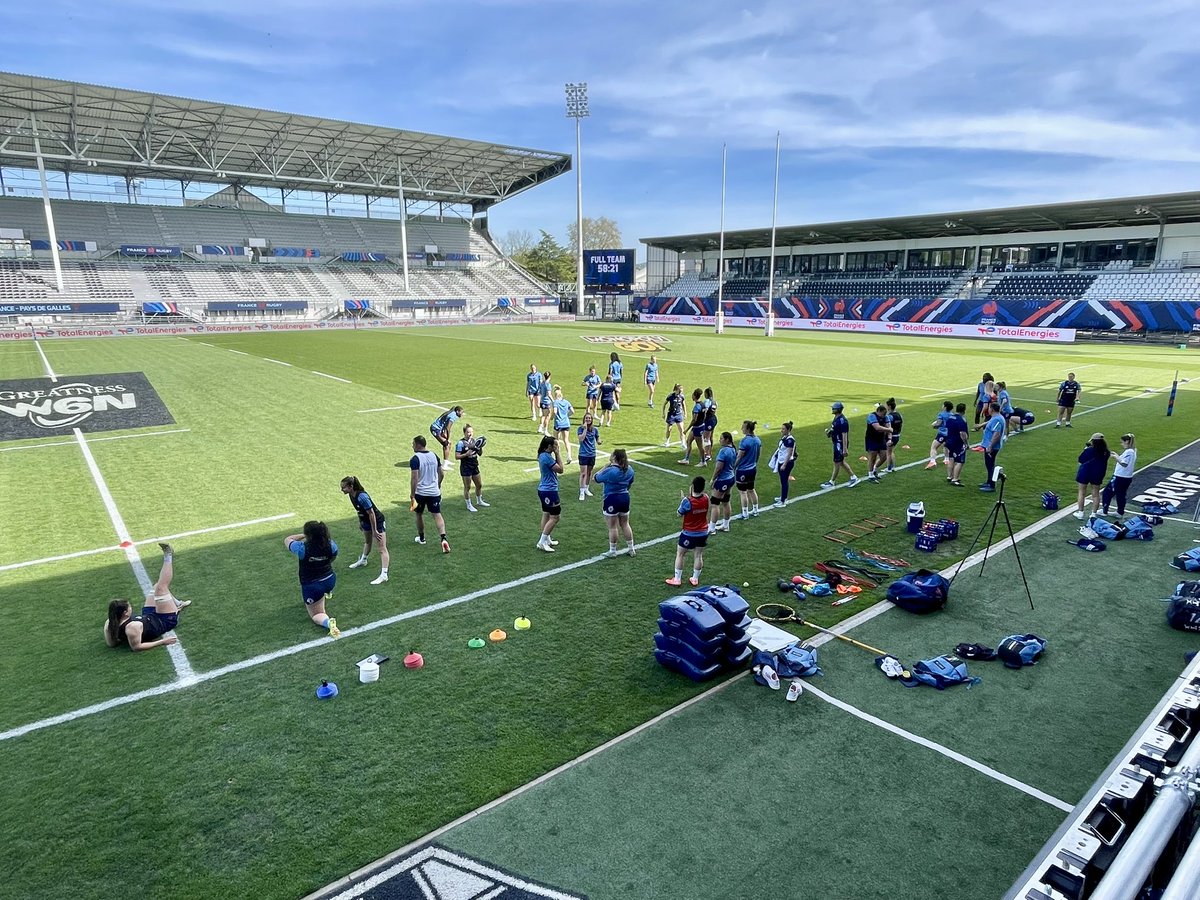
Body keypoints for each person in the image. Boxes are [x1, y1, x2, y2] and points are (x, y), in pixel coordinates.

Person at [104, 542, 194, 650]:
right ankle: (168, 555)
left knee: (157, 587)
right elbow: (137, 647)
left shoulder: (110, 622)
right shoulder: (132, 627)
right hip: (164, 620)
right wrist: (162, 642)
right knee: (161, 587)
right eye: (129, 607)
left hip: (148, 616)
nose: (131, 607)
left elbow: (111, 644)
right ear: (125, 613)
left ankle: (178, 604)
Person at [280, 524, 340, 637]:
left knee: (317, 614)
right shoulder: (331, 545)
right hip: (330, 579)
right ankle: (327, 592)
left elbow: (287, 539)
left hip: (312, 586)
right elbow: (333, 557)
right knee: (325, 588)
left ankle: (328, 623)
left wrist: (303, 535)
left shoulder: (302, 548)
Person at [340, 475, 389, 585]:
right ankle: (363, 560)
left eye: (344, 487)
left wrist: (375, 530)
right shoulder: (351, 495)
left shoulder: (362, 497)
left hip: (377, 522)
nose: (342, 490)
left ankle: (384, 574)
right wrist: (361, 522)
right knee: (367, 541)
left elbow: (372, 514)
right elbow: (359, 510)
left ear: (351, 486)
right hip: (366, 522)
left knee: (381, 548)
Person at [409, 435, 450, 552]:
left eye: (413, 444)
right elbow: (441, 473)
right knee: (437, 514)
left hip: (420, 493)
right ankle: (443, 538)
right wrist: (437, 485)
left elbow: (414, 478)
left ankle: (422, 538)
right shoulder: (434, 456)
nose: (412, 446)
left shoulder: (415, 459)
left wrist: (412, 494)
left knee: (419, 514)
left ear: (418, 445)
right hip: (434, 492)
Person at [667, 476, 710, 586]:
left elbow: (679, 513)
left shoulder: (687, 501)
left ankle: (677, 579)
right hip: (703, 532)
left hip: (689, 533)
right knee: (698, 555)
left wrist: (682, 501)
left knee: (680, 554)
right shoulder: (706, 498)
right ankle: (695, 579)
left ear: (692, 487)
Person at [593, 447, 636, 557]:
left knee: (612, 526)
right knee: (625, 524)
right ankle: (631, 549)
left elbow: (596, 478)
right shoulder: (629, 469)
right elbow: (630, 483)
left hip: (611, 499)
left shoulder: (610, 470)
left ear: (615, 457)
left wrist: (603, 467)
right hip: (625, 497)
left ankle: (612, 551)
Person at [536, 434, 564, 551]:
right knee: (555, 517)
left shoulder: (543, 455)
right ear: (549, 446)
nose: (557, 447)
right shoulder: (547, 458)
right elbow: (561, 469)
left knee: (546, 514)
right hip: (549, 491)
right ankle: (542, 541)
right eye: (555, 445)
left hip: (543, 490)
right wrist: (558, 453)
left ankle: (546, 538)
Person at [455, 423, 490, 512]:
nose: (470, 434)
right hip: (466, 467)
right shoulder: (461, 443)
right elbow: (457, 456)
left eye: (471, 432)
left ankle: (479, 500)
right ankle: (469, 504)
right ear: (464, 433)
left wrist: (480, 447)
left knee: (479, 485)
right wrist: (466, 454)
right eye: (468, 432)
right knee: (467, 487)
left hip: (474, 465)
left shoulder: (474, 441)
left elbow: (480, 454)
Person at [821, 401, 858, 488]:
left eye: (833, 408)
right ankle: (853, 477)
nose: (832, 409)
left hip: (840, 444)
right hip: (837, 443)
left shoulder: (842, 421)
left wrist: (845, 449)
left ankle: (832, 481)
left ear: (837, 410)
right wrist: (830, 432)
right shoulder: (837, 418)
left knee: (837, 462)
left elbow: (844, 435)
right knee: (840, 462)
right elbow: (835, 430)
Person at [1075, 433, 1111, 519]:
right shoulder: (1106, 452)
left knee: (1081, 492)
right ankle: (1093, 514)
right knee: (1096, 494)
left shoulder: (1089, 450)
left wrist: (1085, 450)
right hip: (1098, 473)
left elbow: (1080, 461)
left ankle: (1081, 513)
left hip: (1085, 472)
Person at [708, 431, 737, 533]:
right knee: (726, 502)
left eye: (721, 438)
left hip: (723, 480)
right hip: (731, 478)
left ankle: (711, 528)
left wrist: (713, 479)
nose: (719, 440)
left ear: (727, 440)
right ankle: (725, 525)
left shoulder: (723, 451)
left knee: (715, 503)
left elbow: (719, 467)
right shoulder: (733, 449)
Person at [1102, 433, 1137, 517]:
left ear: (1127, 441)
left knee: (1108, 492)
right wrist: (1117, 455)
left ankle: (1105, 510)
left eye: (1122, 442)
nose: (1121, 444)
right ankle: (1120, 512)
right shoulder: (1133, 450)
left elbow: (1124, 463)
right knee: (1121, 494)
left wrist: (1115, 457)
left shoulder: (1129, 452)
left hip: (1120, 477)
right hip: (1126, 477)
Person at [734, 420, 762, 518]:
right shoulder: (757, 440)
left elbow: (739, 456)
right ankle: (755, 510)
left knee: (743, 492)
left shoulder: (745, 441)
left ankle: (745, 513)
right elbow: (758, 454)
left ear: (748, 429)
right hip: (752, 468)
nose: (742, 428)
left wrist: (734, 467)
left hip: (743, 470)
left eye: (743, 427)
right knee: (751, 489)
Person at [979, 402, 1005, 492]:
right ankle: (989, 481)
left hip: (992, 447)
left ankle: (991, 485)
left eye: (989, 408)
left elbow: (996, 434)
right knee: (989, 464)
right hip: (990, 446)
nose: (988, 410)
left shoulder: (996, 419)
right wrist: (980, 426)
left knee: (990, 465)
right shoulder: (997, 417)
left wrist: (990, 447)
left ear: (992, 409)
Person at [430, 405, 465, 471]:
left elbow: (444, 425)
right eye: (461, 412)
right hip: (435, 429)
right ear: (457, 411)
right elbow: (448, 428)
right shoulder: (453, 416)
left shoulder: (452, 414)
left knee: (449, 444)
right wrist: (448, 438)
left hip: (439, 430)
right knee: (446, 444)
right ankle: (444, 465)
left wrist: (444, 433)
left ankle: (446, 461)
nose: (462, 414)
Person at [944, 403, 970, 487]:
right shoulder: (962, 420)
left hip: (949, 441)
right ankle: (955, 479)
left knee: (951, 458)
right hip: (958, 443)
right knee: (959, 461)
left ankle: (949, 476)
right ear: (964, 410)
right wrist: (966, 443)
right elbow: (962, 433)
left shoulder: (950, 418)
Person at [771, 420, 797, 507]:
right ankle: (783, 496)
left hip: (786, 463)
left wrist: (784, 464)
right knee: (783, 481)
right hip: (782, 461)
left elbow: (789, 453)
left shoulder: (790, 440)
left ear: (788, 430)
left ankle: (783, 501)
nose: (781, 430)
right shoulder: (785, 438)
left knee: (784, 481)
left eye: (783, 429)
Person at [577, 411, 601, 501]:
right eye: (586, 418)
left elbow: (597, 437)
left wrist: (599, 441)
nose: (588, 419)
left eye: (589, 418)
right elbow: (581, 439)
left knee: (589, 473)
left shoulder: (595, 430)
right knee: (583, 473)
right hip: (583, 454)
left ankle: (586, 488)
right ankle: (581, 491)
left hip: (592, 454)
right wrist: (585, 429)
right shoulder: (580, 429)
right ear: (584, 419)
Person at [864, 403, 892, 482]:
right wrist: (888, 430)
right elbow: (877, 428)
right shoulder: (872, 416)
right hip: (871, 439)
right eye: (883, 414)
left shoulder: (885, 417)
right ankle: (870, 475)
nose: (884, 415)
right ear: (879, 411)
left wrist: (889, 439)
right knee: (872, 457)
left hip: (881, 439)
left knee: (884, 456)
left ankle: (874, 470)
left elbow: (889, 427)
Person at [926, 400, 955, 470]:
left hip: (942, 434)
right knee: (945, 446)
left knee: (933, 447)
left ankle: (932, 461)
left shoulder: (941, 414)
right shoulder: (952, 415)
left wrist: (934, 426)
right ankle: (946, 459)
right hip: (949, 434)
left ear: (945, 407)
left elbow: (939, 423)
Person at [680, 388, 706, 465]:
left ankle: (703, 461)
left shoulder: (697, 407)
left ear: (694, 396)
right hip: (699, 426)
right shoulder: (703, 404)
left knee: (700, 446)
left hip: (697, 428)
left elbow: (694, 420)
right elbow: (704, 416)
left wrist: (687, 429)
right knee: (688, 441)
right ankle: (686, 459)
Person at [551, 385, 575, 465]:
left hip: (558, 423)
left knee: (556, 440)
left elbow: (554, 411)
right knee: (566, 440)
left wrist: (551, 417)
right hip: (566, 423)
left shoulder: (555, 402)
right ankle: (569, 456)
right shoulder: (566, 402)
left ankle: (558, 457)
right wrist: (566, 415)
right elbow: (572, 411)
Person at [662, 383, 686, 448]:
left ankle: (683, 443)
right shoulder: (670, 396)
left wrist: (685, 413)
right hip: (671, 415)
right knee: (669, 429)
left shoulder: (682, 396)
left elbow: (683, 404)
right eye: (679, 390)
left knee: (681, 429)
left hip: (679, 414)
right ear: (676, 390)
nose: (680, 392)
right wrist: (663, 413)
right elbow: (664, 404)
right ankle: (667, 442)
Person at [884, 398, 903, 473]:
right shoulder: (899, 415)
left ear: (889, 406)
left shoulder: (889, 416)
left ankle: (889, 468)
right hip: (897, 435)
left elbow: (887, 426)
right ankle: (893, 467)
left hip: (891, 436)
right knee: (891, 451)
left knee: (888, 452)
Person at [702, 387, 718, 462]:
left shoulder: (707, 401)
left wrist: (703, 419)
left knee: (706, 438)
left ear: (706, 394)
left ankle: (707, 455)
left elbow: (705, 411)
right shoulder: (714, 401)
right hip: (714, 419)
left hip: (708, 420)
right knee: (710, 437)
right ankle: (709, 452)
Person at [537, 370, 554, 435]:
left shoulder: (542, 383)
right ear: (549, 377)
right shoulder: (548, 385)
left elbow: (540, 392)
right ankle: (545, 430)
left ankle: (540, 427)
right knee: (547, 416)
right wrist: (553, 401)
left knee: (543, 415)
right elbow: (549, 394)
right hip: (547, 402)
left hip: (542, 401)